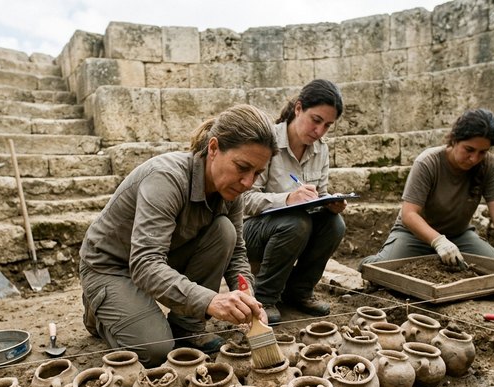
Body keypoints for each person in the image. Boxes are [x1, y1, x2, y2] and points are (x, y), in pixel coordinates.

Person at [79, 104, 278, 366]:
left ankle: (186, 326)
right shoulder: (166, 178)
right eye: (242, 167)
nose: (248, 183)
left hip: (161, 257)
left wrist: (247, 294)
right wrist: (211, 301)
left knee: (224, 231)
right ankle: (99, 309)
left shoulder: (231, 190)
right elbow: (145, 263)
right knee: (156, 350)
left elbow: (237, 252)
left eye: (257, 173)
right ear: (214, 148)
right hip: (111, 267)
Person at [359, 108, 494, 278]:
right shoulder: (428, 162)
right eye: (469, 150)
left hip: (459, 235)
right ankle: (374, 260)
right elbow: (409, 214)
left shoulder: (489, 164)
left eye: (482, 152)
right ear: (454, 139)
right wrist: (438, 242)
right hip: (414, 235)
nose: (474, 158)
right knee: (379, 273)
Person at [242, 79, 346, 323]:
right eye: (316, 120)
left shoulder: (321, 150)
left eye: (328, 125)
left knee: (335, 224)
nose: (319, 131)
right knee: (295, 222)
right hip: (253, 232)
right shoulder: (266, 141)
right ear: (298, 109)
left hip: (295, 228)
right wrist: (287, 198)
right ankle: (265, 297)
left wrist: (330, 204)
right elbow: (245, 199)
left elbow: (319, 195)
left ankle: (299, 291)